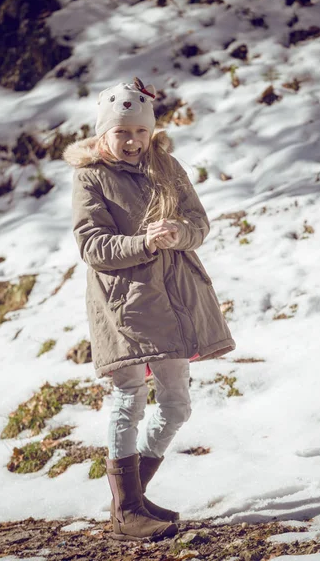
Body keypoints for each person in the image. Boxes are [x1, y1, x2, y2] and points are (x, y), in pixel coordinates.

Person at [63, 77, 236, 541]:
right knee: (129, 399)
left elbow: (199, 222)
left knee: (176, 406)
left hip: (174, 301)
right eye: (122, 132)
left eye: (140, 132)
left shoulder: (168, 166)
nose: (132, 141)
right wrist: (142, 243)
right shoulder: (91, 176)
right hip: (125, 305)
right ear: (104, 134)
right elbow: (92, 244)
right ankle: (126, 512)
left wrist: (180, 233)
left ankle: (134, 497)